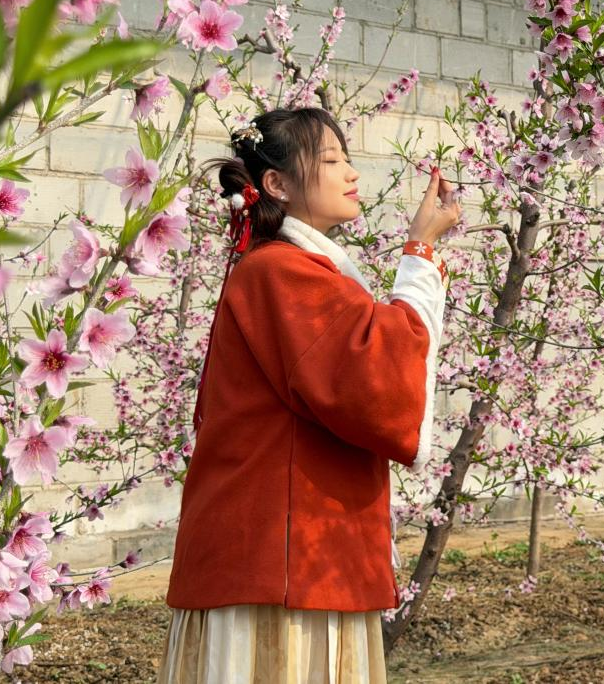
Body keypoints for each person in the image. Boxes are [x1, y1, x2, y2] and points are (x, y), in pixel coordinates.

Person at [156, 106, 460, 683]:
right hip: (282, 565)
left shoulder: (277, 269)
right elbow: (375, 377)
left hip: (278, 554)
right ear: (277, 183)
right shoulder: (281, 272)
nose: (352, 172)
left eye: (348, 158)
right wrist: (420, 250)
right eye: (332, 160)